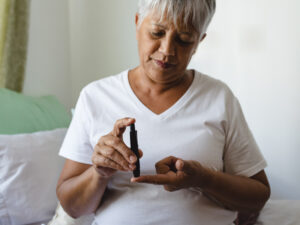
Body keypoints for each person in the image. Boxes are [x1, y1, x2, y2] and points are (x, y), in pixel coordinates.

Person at [56, 0, 271, 224]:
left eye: (184, 39)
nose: (167, 50)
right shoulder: (95, 96)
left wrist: (205, 179)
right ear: (138, 23)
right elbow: (72, 207)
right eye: (157, 32)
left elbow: (258, 197)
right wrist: (98, 173)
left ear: (199, 42)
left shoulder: (219, 97)